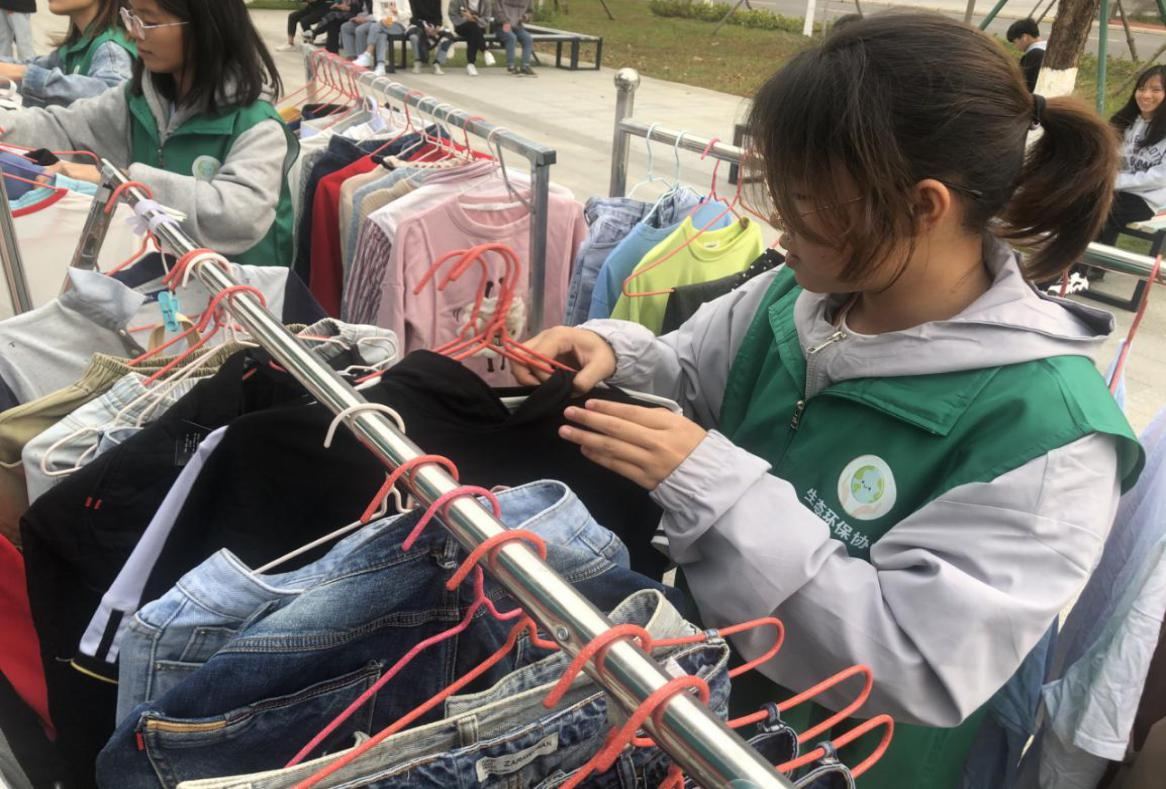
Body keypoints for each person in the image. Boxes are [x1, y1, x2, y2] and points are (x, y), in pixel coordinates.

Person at [512, 12, 1142, 789]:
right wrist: (617, 353)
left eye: (806, 199)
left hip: (835, 765)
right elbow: (691, 373)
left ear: (923, 206)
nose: (780, 225)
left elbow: (919, 661)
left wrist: (713, 486)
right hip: (687, 714)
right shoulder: (795, 298)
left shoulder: (1049, 433)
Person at [0, 0, 299, 268]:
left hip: (239, 299)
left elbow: (238, 215)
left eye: (149, 21)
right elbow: (63, 127)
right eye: (132, 17)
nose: (133, 33)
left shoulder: (257, 125)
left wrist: (123, 182)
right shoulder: (137, 100)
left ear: (205, 26)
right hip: (164, 284)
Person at [0, 0, 135, 108]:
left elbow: (113, 100)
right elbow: (37, 65)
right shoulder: (80, 42)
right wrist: (16, 72)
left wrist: (23, 74)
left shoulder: (111, 49)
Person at [349, 0, 407, 75]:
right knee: (381, 35)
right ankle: (381, 66)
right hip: (383, 24)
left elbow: (408, 14)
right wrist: (382, 20)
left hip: (399, 24)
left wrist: (397, 12)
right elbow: (376, 14)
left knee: (374, 26)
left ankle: (368, 54)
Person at [447, 0, 490, 76]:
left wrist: (476, 19)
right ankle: (484, 50)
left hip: (479, 27)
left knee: (473, 30)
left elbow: (487, 19)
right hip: (461, 26)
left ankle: (471, 64)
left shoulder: (485, 2)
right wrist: (466, 19)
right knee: (473, 27)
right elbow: (452, 15)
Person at [495, 0, 534, 76]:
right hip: (503, 25)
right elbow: (498, 11)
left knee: (528, 39)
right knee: (511, 37)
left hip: (518, 26)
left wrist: (525, 17)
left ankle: (525, 66)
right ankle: (511, 66)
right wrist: (505, 21)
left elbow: (530, 12)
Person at [1006, 17, 1045, 92]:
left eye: (1015, 42)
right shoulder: (1049, 49)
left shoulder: (1034, 55)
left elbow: (1026, 86)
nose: (1015, 46)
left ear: (1024, 37)